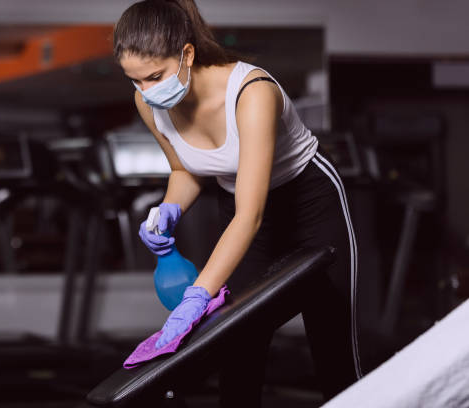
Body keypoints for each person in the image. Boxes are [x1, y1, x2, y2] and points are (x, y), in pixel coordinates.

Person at [114, 0, 363, 406]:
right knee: (238, 349)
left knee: (334, 352)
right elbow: (185, 170)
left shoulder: (252, 93)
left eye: (154, 76)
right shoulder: (149, 103)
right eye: (134, 80)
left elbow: (252, 214)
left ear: (187, 55)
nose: (145, 91)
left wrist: (198, 296)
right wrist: (169, 211)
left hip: (310, 203)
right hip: (238, 208)